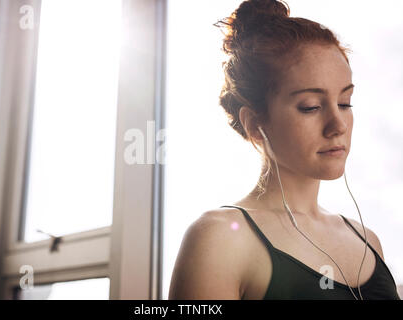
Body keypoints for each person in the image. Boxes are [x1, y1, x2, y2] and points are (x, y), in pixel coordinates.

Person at [168, 0, 400, 300]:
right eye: (311, 107)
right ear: (254, 123)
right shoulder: (220, 239)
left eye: (345, 103)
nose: (338, 125)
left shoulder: (368, 241)